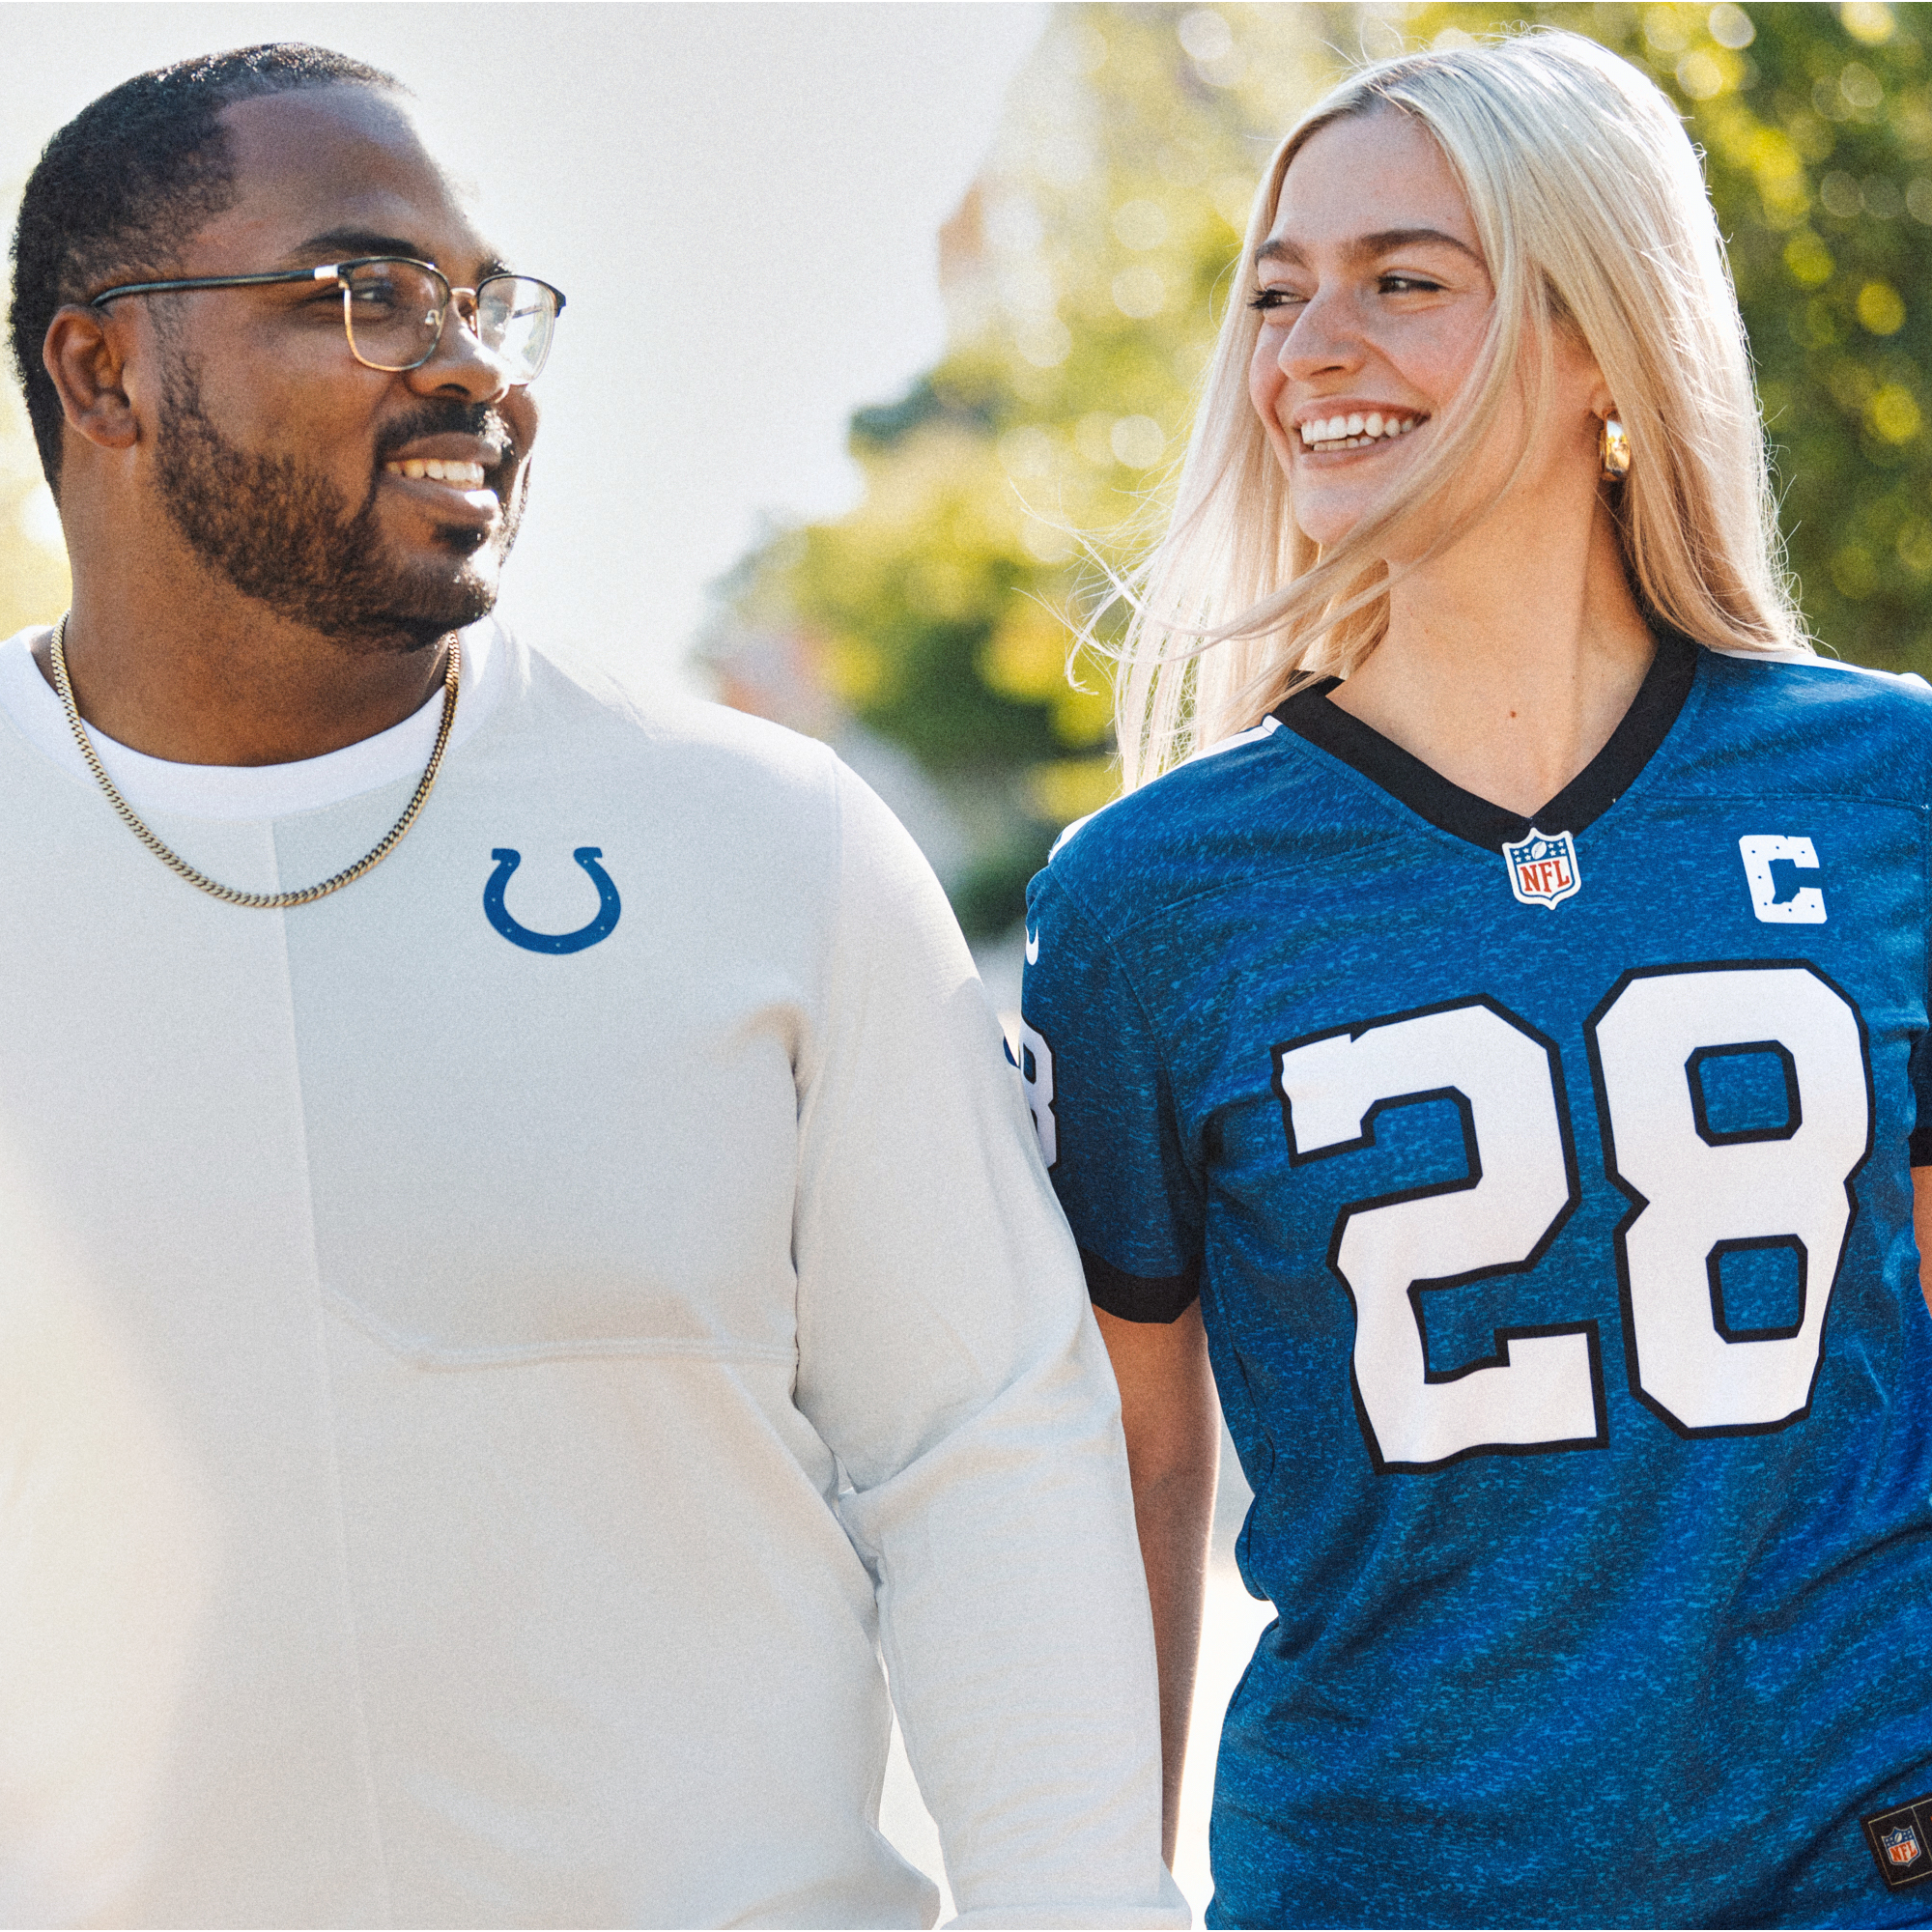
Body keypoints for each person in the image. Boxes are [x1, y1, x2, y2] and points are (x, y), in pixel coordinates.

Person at [0, 43, 1186, 1929]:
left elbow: (983, 1450)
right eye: (368, 292)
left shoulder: (767, 842)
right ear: (103, 372)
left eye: (489, 304)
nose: (474, 364)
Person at [1020, 28, 1932, 1929]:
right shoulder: (1146, 898)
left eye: (1405, 281)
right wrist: (1095, 1890)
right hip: (1384, 1882)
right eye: (1277, 294)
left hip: (1859, 1862)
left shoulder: (1887, 782)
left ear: (1604, 337)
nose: (1309, 350)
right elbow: (1134, 1452)